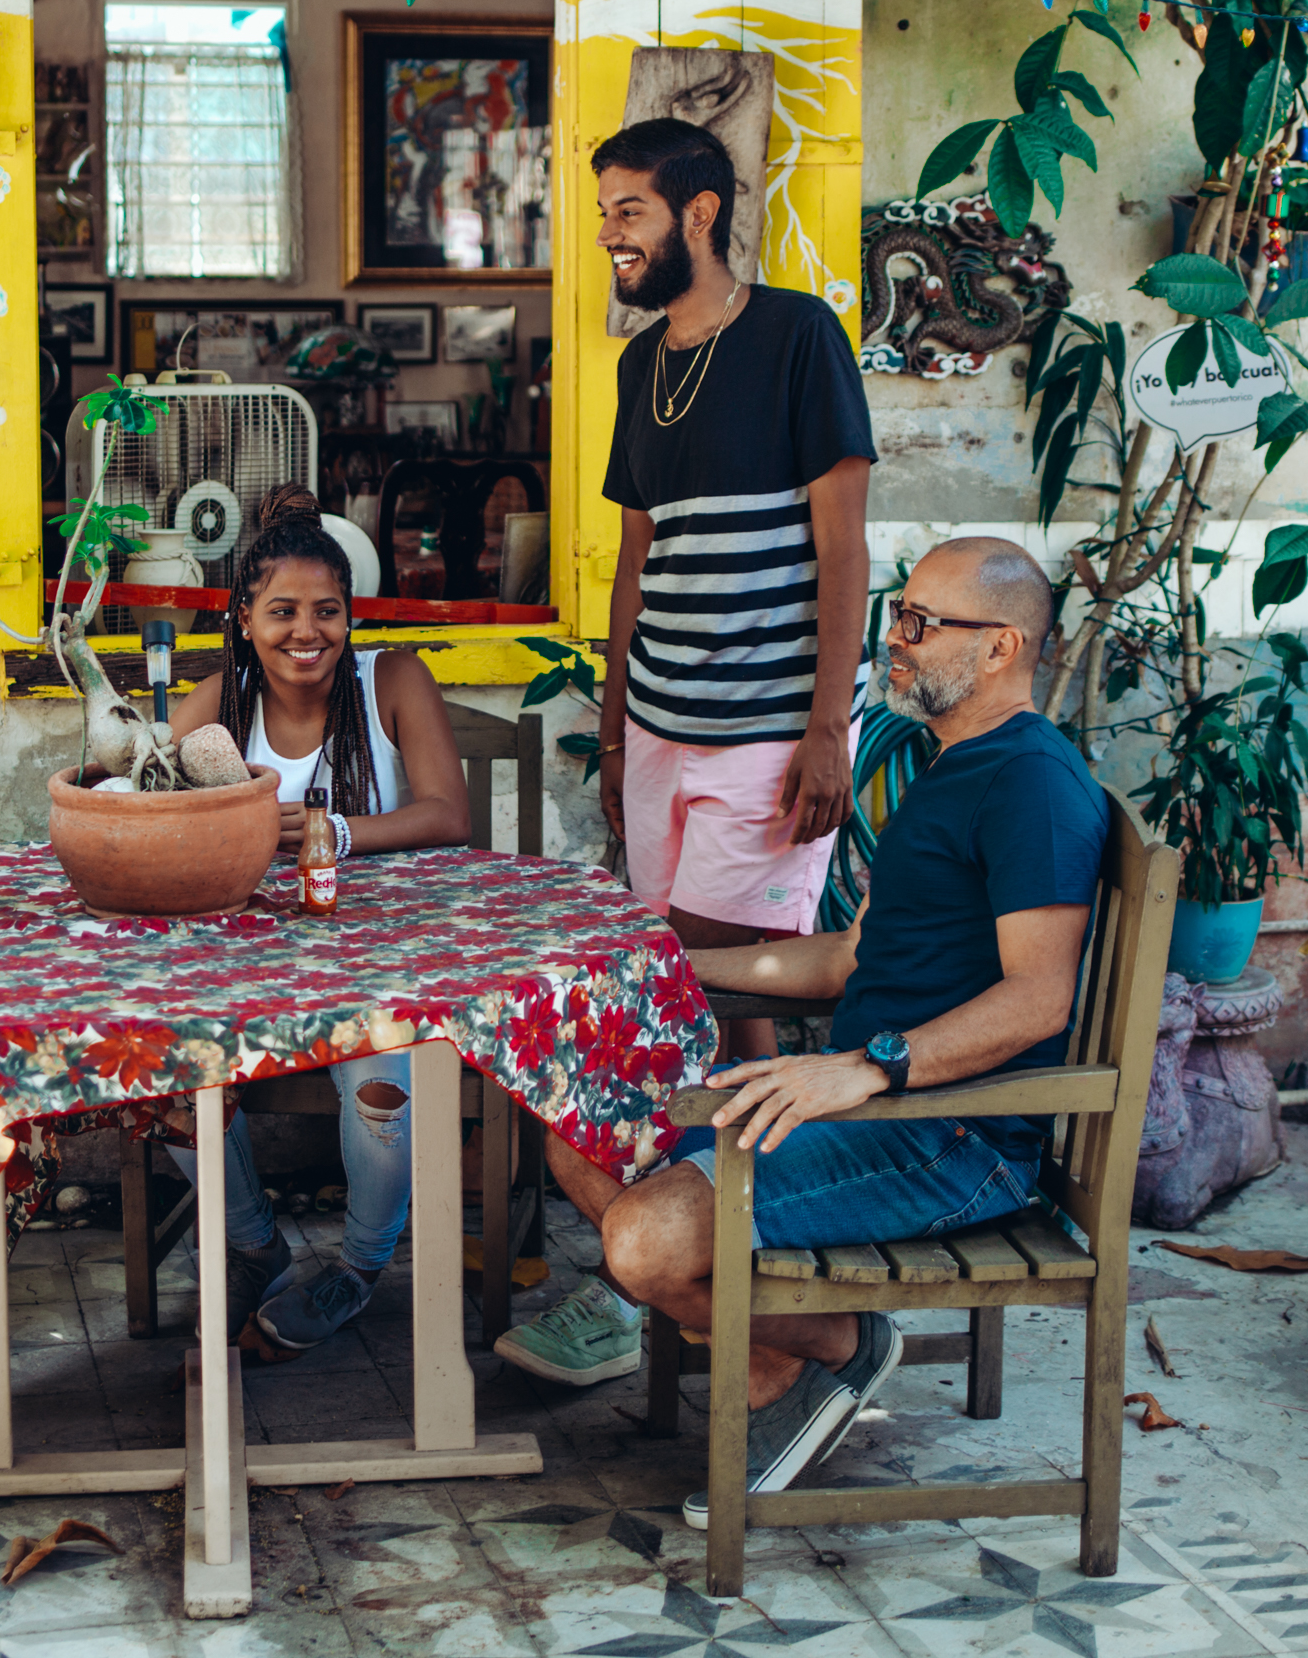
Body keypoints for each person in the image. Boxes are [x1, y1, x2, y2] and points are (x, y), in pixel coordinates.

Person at [495, 537, 1105, 1535]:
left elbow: (1040, 999)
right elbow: (848, 960)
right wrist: (670, 959)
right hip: (875, 1104)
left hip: (950, 1135)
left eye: (921, 623)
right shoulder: (950, 766)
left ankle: (837, 1344)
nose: (895, 640)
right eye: (898, 616)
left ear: (1002, 646)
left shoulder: (1031, 784)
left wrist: (867, 1067)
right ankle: (789, 1360)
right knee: (582, 1128)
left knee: (645, 1241)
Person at [489, 116, 876, 1386]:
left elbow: (843, 546)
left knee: (700, 994)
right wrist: (612, 732)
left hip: (768, 735)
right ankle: (717, 1278)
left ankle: (677, 1278)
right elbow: (636, 560)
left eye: (630, 210)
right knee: (697, 1005)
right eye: (604, 210)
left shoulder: (800, 337)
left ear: (700, 213)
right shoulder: (640, 363)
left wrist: (827, 728)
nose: (608, 232)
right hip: (657, 724)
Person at [169, 484, 471, 1357]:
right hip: (245, 969)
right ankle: (253, 1245)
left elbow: (448, 814)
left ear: (350, 615)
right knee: (160, 1072)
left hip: (379, 962)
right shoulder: (219, 707)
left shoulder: (392, 681)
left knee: (382, 1077)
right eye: (283, 612)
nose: (307, 632)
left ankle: (358, 1268)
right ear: (244, 620)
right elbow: (146, 805)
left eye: (327, 611)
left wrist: (332, 831)